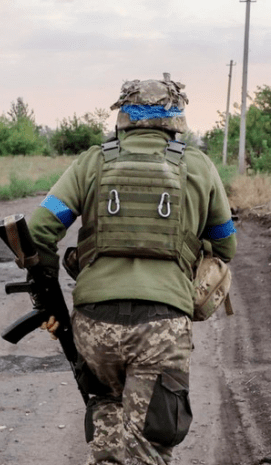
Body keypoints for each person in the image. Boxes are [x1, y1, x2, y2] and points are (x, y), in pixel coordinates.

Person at [26, 73, 237, 464]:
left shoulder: (92, 161)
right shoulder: (199, 166)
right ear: (175, 118)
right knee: (148, 450)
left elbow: (39, 229)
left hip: (94, 324)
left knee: (107, 437)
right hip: (161, 326)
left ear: (123, 115)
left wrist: (50, 294)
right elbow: (226, 244)